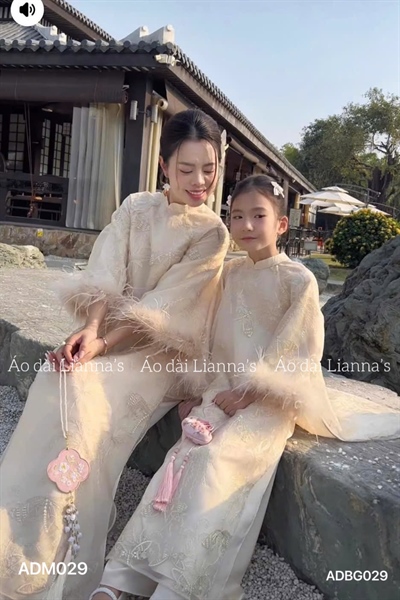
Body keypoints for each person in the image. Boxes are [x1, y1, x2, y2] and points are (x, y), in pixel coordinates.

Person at [91, 175, 400, 600]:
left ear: (282, 225)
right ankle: (122, 578)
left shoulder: (299, 281)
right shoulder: (229, 273)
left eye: (258, 215)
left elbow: (296, 351)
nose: (247, 225)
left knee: (216, 462)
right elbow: (209, 334)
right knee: (180, 460)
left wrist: (249, 393)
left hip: (268, 402)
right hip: (221, 388)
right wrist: (194, 390)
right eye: (237, 216)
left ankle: (182, 585)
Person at [0, 109, 230, 600]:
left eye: (208, 169)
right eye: (186, 169)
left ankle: (63, 546)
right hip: (110, 334)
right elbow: (107, 273)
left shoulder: (212, 233)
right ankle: (18, 526)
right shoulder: (135, 207)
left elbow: (163, 308)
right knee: (56, 376)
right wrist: (89, 329)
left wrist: (103, 344)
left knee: (86, 392)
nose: (199, 181)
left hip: (163, 352)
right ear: (164, 165)